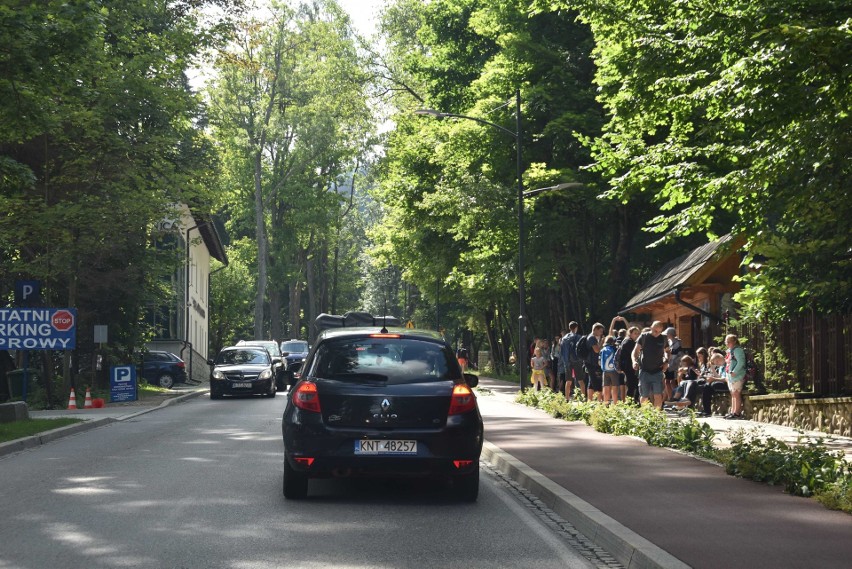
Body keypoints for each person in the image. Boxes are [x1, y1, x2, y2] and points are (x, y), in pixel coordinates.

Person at [631, 321, 669, 408]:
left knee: (658, 395)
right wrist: (634, 361)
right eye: (655, 331)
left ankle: (656, 417)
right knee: (644, 396)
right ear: (651, 327)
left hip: (658, 371)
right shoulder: (644, 337)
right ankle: (645, 417)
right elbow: (635, 351)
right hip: (645, 370)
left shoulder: (663, 338)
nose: (657, 334)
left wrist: (666, 361)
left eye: (660, 332)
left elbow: (667, 351)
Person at [724, 334, 747, 419]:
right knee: (733, 394)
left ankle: (737, 413)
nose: (727, 343)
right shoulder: (729, 351)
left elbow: (741, 362)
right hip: (731, 377)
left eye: (729, 341)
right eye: (726, 341)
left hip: (737, 376)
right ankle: (733, 412)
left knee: (736, 393)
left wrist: (735, 371)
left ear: (734, 341)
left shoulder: (737, 350)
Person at [617, 326, 641, 404]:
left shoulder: (627, 341)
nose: (637, 335)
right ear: (630, 334)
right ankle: (630, 403)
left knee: (633, 385)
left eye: (638, 333)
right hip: (629, 367)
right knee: (632, 385)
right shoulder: (629, 342)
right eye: (635, 333)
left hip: (629, 367)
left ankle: (632, 402)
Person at [562, 322, 585, 398]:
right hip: (577, 360)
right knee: (580, 380)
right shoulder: (579, 337)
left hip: (567, 361)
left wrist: (565, 361)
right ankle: (583, 398)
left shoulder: (564, 338)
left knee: (568, 381)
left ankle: (567, 398)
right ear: (576, 328)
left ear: (569, 328)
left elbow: (562, 351)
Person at [585, 322, 605, 401]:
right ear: (595, 329)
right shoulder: (592, 338)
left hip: (589, 362)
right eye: (600, 331)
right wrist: (602, 343)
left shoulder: (589, 337)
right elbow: (597, 350)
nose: (601, 333)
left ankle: (590, 400)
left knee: (591, 382)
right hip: (592, 363)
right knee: (596, 381)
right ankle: (599, 400)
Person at [664, 327, 683, 401]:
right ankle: (670, 397)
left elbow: (679, 354)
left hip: (674, 364)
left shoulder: (677, 343)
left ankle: (675, 397)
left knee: (672, 381)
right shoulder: (668, 342)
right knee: (667, 381)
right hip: (668, 364)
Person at [600, 336, 620, 405]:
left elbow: (599, 362)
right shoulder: (614, 349)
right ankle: (615, 404)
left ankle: (606, 404)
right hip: (613, 370)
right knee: (614, 387)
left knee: (606, 387)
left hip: (605, 371)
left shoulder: (603, 349)